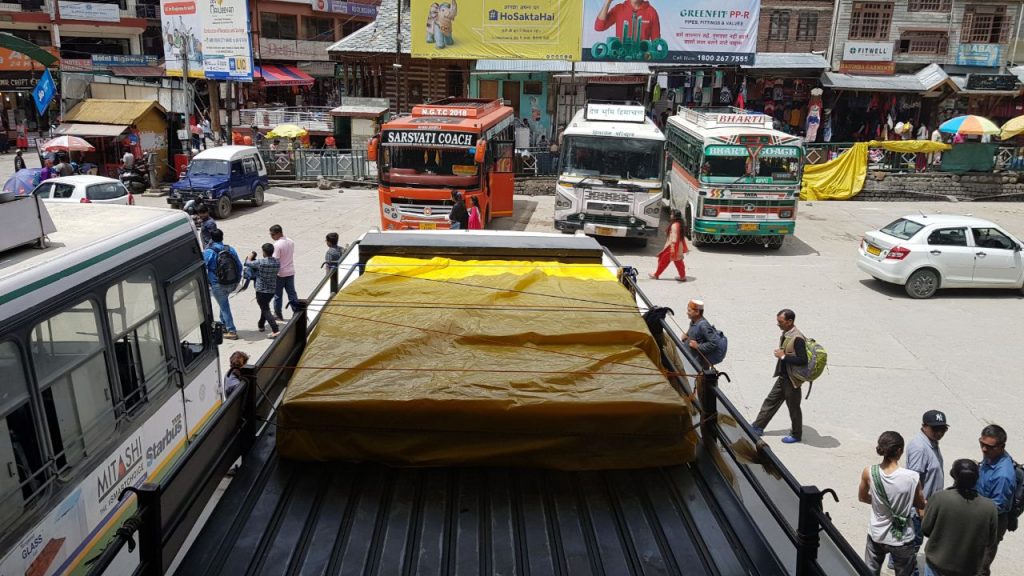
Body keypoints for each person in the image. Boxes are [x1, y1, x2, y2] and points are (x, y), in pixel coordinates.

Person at [859, 431, 926, 576]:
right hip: (902, 538)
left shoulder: (869, 472)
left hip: (876, 534)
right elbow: (920, 504)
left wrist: (878, 502)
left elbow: (863, 497)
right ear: (900, 451)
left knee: (869, 572)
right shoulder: (912, 477)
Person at [922, 459, 999, 576]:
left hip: (936, 566)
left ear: (953, 475)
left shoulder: (939, 498)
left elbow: (926, 529)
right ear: (977, 478)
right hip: (968, 569)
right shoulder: (990, 507)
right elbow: (990, 541)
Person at [752, 309, 808, 444]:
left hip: (792, 380)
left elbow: (803, 360)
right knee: (770, 401)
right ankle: (758, 426)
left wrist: (783, 356)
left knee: (793, 407)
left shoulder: (798, 338)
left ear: (790, 321)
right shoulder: (786, 334)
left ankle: (796, 434)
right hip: (783, 377)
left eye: (780, 321)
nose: (778, 324)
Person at [976, 424, 1015, 576]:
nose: (984, 449)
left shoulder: (1003, 475)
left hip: (991, 522)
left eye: (989, 447)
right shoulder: (991, 457)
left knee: (980, 566)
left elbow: (997, 506)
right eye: (982, 444)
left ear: (1001, 447)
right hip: (981, 514)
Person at [203, 229, 242, 340]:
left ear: (211, 238)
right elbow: (239, 266)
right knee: (223, 302)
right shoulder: (230, 249)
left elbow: (203, 267)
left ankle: (231, 330)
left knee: (224, 306)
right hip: (232, 283)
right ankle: (224, 325)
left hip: (217, 284)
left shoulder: (209, 252)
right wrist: (237, 280)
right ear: (222, 237)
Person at [245, 243, 281, 338]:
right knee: (264, 307)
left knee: (265, 309)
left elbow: (247, 263)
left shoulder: (261, 262)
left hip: (261, 290)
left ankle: (275, 329)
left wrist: (250, 256)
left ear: (264, 252)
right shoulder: (277, 262)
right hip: (271, 290)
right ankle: (261, 325)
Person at [649, 209, 687, 281]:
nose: (670, 215)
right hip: (678, 246)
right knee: (679, 262)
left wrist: (673, 249)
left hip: (672, 247)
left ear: (675, 216)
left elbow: (674, 237)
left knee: (663, 261)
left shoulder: (674, 225)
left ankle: (656, 275)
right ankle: (683, 276)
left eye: (672, 214)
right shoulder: (679, 224)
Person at [269, 224, 297, 321]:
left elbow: (275, 260)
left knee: (277, 295)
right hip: (290, 271)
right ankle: (297, 312)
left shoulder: (277, 245)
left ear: (279, 233)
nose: (272, 237)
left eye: (273, 234)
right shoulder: (290, 241)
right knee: (292, 293)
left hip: (280, 274)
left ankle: (278, 314)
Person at [681, 299, 721, 369]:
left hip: (698, 366)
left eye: (689, 311)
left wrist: (697, 346)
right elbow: (693, 332)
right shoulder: (693, 321)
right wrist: (686, 335)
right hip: (689, 360)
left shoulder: (703, 326)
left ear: (697, 312)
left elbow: (713, 343)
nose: (687, 313)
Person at [595, 0, 661, 41]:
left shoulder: (652, 12)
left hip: (641, 58)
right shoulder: (619, 9)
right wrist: (608, 2)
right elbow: (599, 27)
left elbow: (656, 41)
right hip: (621, 56)